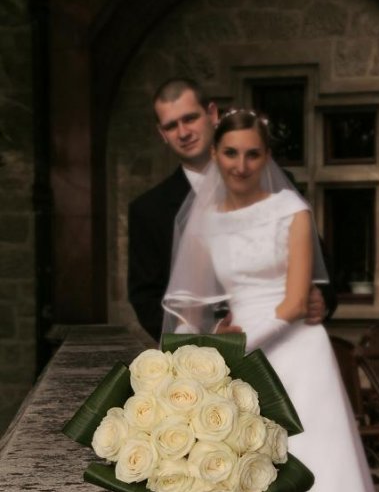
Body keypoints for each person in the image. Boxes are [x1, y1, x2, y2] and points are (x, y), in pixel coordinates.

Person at [162, 109, 379, 492]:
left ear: (267, 156)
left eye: (253, 154)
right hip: (239, 352)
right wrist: (192, 353)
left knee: (317, 461)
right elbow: (192, 308)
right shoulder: (203, 223)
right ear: (215, 153)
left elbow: (293, 303)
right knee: (246, 465)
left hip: (298, 350)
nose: (241, 165)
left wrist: (237, 344)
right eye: (231, 153)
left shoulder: (292, 210)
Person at [128, 78, 336, 342]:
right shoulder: (148, 210)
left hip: (288, 337)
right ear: (162, 134)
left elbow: (319, 261)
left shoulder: (277, 184)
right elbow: (146, 300)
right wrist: (206, 337)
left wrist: (320, 299)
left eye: (190, 118)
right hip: (207, 355)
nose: (183, 133)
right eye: (171, 126)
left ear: (212, 114)